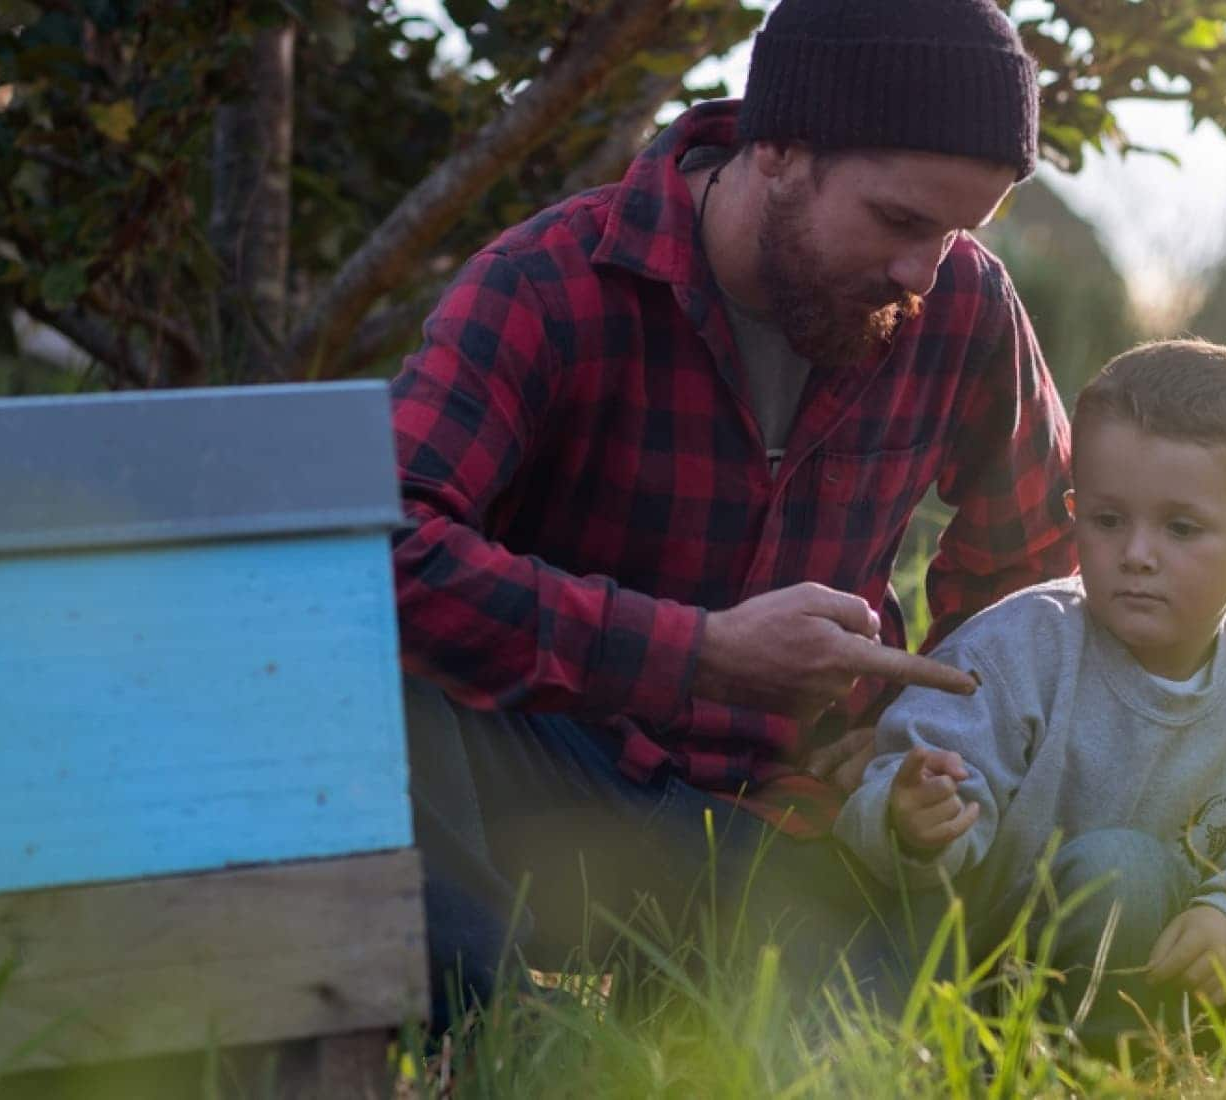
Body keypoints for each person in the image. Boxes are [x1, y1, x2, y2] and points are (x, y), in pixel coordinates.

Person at [387, 0, 1076, 1030]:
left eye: (954, 233)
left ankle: (658, 1005)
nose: (921, 271)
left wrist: (913, 734)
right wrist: (698, 651)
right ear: (779, 148)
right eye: (897, 221)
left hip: (794, 831)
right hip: (551, 800)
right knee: (385, 688)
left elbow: (1034, 564)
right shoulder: (550, 284)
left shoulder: (962, 304)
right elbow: (387, 552)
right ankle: (495, 1028)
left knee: (867, 1039)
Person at [835, 339, 1226, 1058]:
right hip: (1016, 976)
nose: (1137, 553)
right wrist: (916, 820)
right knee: (1123, 872)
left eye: (1180, 528)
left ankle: (1189, 1050)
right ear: (1076, 513)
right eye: (1109, 520)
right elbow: (903, 795)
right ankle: (1088, 1067)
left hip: (1197, 968)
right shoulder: (1018, 647)